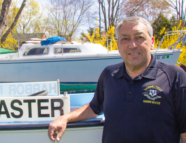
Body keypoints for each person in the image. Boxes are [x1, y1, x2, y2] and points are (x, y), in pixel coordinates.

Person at [48, 16, 186, 143]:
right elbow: (94, 108)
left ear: (152, 42)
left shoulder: (174, 76)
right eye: (125, 39)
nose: (132, 45)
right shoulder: (109, 74)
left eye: (139, 37)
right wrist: (65, 118)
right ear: (118, 46)